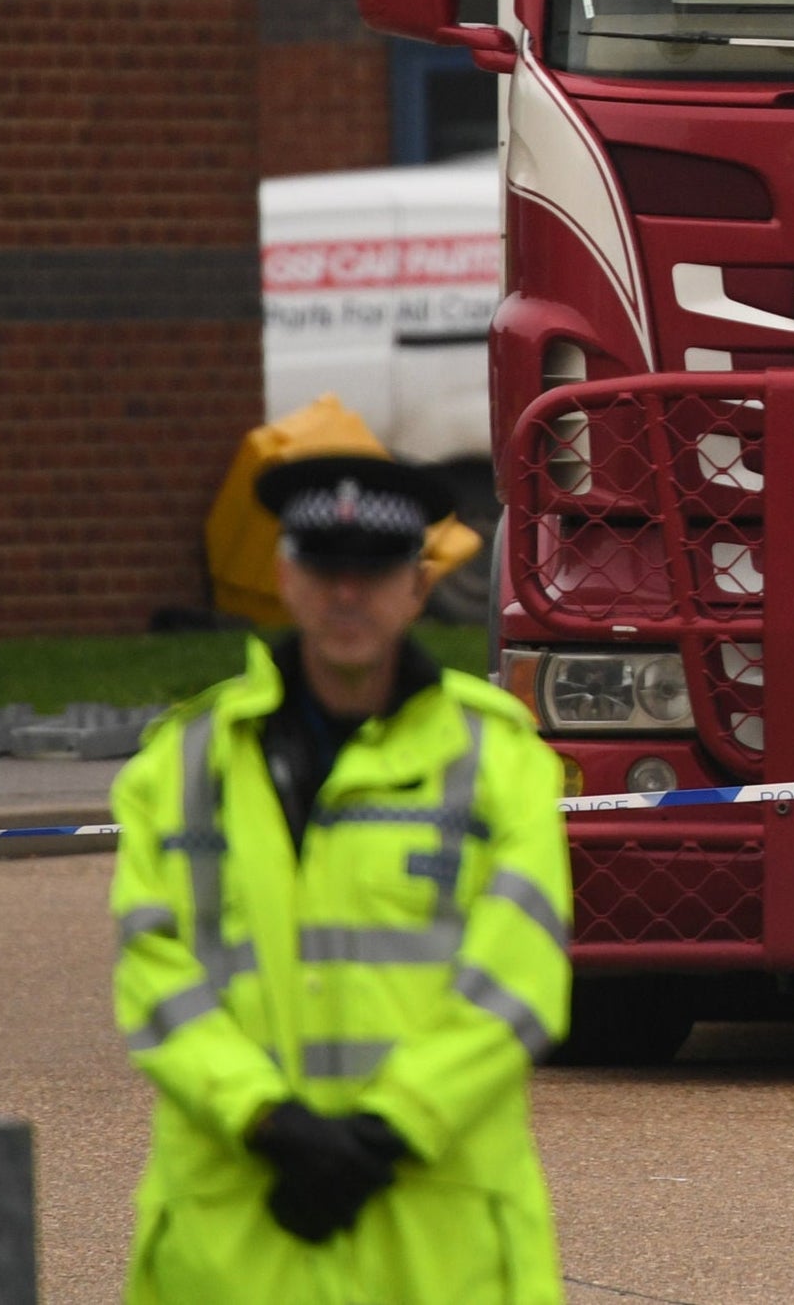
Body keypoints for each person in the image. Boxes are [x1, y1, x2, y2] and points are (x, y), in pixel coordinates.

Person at [112, 454, 572, 1304]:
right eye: (325, 568)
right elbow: (155, 971)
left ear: (418, 585)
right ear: (286, 577)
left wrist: (395, 1128)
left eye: (375, 570)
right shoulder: (181, 767)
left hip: (434, 1250)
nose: (348, 594)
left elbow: (519, 977)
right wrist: (268, 1119)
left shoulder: (498, 763)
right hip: (237, 1250)